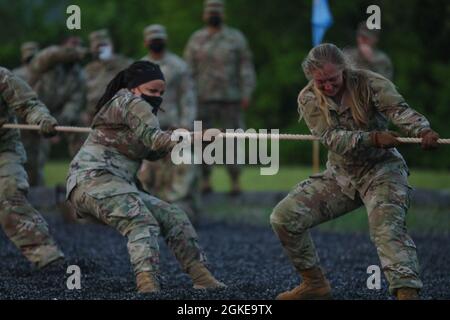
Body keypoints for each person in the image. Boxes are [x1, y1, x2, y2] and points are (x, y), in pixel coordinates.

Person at [270, 43, 439, 300]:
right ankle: (314, 284)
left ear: (344, 69)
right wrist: (372, 138)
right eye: (320, 82)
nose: (327, 87)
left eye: (332, 79)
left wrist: (422, 130)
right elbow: (331, 139)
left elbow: (398, 111)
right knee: (283, 217)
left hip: (383, 170)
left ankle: (407, 293)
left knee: (386, 230)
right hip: (341, 176)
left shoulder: (370, 83)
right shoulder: (308, 98)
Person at [66, 61, 225, 293]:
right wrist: (196, 136)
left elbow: (151, 152)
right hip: (92, 180)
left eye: (161, 92)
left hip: (118, 185)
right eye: (152, 91)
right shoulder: (130, 102)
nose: (157, 97)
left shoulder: (135, 106)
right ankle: (147, 284)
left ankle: (201, 276)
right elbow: (155, 139)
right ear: (134, 88)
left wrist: (186, 140)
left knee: (173, 215)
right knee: (140, 220)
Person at [184, 0, 256, 195]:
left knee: (233, 140)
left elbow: (245, 68)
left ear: (223, 15)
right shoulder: (196, 39)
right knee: (202, 140)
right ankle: (205, 179)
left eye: (216, 11)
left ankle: (235, 181)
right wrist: (188, 97)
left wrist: (246, 92)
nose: (213, 15)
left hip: (230, 98)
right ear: (204, 15)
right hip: (202, 98)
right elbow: (188, 71)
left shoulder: (235, 38)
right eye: (210, 12)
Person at [0, 66, 64, 268]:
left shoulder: (2, 77)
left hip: (4, 150)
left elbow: (29, 104)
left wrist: (42, 119)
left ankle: (45, 255)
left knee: (9, 190)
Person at [138, 24, 200, 222]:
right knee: (145, 172)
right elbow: (131, 100)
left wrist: (185, 125)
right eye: (152, 37)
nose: (156, 41)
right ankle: (149, 206)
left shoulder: (179, 66)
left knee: (184, 165)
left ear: (165, 40)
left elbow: (188, 98)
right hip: (148, 130)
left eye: (159, 37)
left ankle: (177, 207)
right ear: (146, 42)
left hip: (174, 129)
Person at [26, 36, 87, 185]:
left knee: (80, 123)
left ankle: (84, 173)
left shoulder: (78, 75)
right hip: (27, 112)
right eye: (71, 46)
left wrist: (58, 124)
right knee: (28, 161)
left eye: (79, 46)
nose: (76, 50)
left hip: (52, 117)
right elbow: (50, 54)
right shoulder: (48, 62)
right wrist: (72, 52)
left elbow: (74, 102)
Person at [83, 29, 132, 124]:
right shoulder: (89, 70)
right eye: (98, 47)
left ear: (111, 45)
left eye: (104, 45)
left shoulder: (125, 64)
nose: (101, 49)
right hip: (94, 119)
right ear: (93, 49)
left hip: (120, 119)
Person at [13, 42, 45, 186]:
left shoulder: (44, 75)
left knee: (37, 161)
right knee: (26, 161)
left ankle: (37, 194)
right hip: (23, 124)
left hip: (37, 123)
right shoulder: (16, 74)